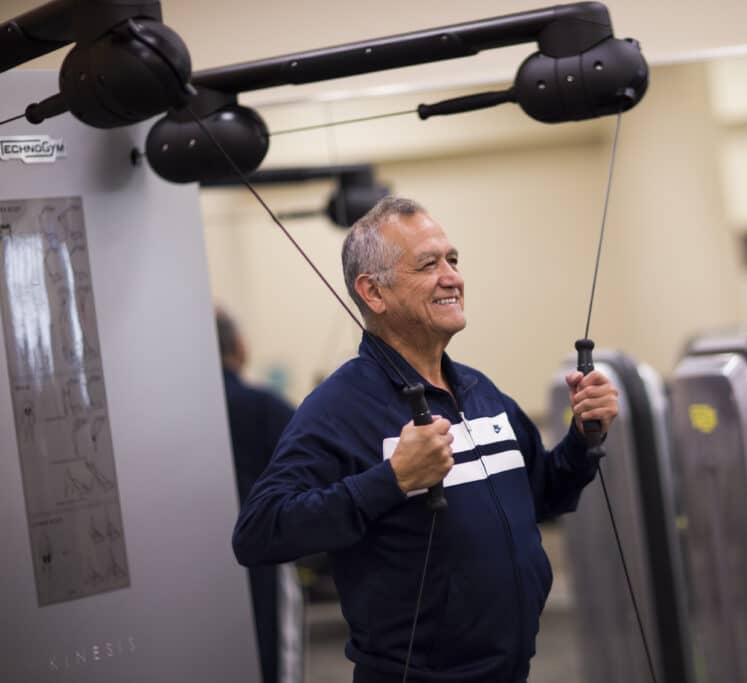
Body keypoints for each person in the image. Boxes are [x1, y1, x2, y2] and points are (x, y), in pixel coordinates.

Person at [232, 197, 619, 683]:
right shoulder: (339, 408)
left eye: (452, 260)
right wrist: (391, 481)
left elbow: (543, 493)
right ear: (374, 293)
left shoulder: (479, 391)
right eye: (428, 264)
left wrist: (584, 440)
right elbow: (259, 532)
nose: (451, 276)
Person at [217, 309, 301, 683]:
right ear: (239, 346)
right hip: (262, 559)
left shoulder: (179, 416)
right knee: (273, 655)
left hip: (195, 560)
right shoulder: (263, 406)